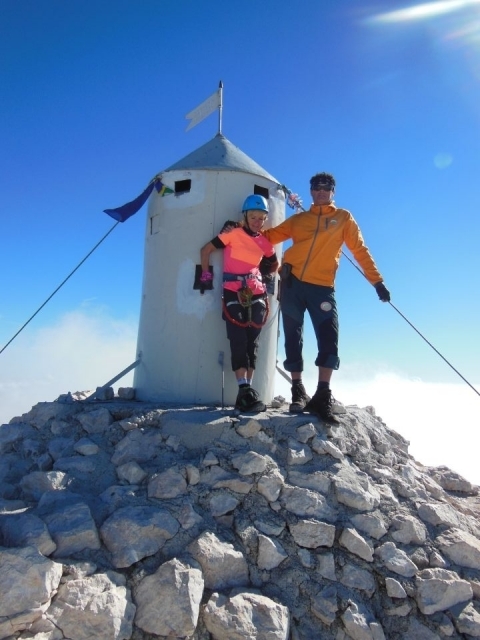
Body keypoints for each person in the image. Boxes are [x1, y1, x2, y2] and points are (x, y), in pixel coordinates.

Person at [261, 172, 390, 423]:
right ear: (310, 191)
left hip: (322, 287)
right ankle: (297, 391)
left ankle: (322, 394)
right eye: (317, 187)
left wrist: (377, 282)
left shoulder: (343, 218)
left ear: (333, 192)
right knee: (292, 337)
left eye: (326, 187)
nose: (321, 191)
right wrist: (240, 230)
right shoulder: (299, 220)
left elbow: (359, 250)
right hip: (292, 284)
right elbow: (268, 238)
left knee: (329, 337)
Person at [199, 194, 279, 412]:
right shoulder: (232, 233)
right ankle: (243, 390)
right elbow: (205, 250)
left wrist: (264, 276)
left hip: (257, 293)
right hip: (233, 291)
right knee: (238, 338)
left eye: (262, 218)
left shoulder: (263, 241)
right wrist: (205, 277)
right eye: (253, 216)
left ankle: (248, 391)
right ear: (245, 215)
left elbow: (273, 263)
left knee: (253, 341)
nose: (257, 221)